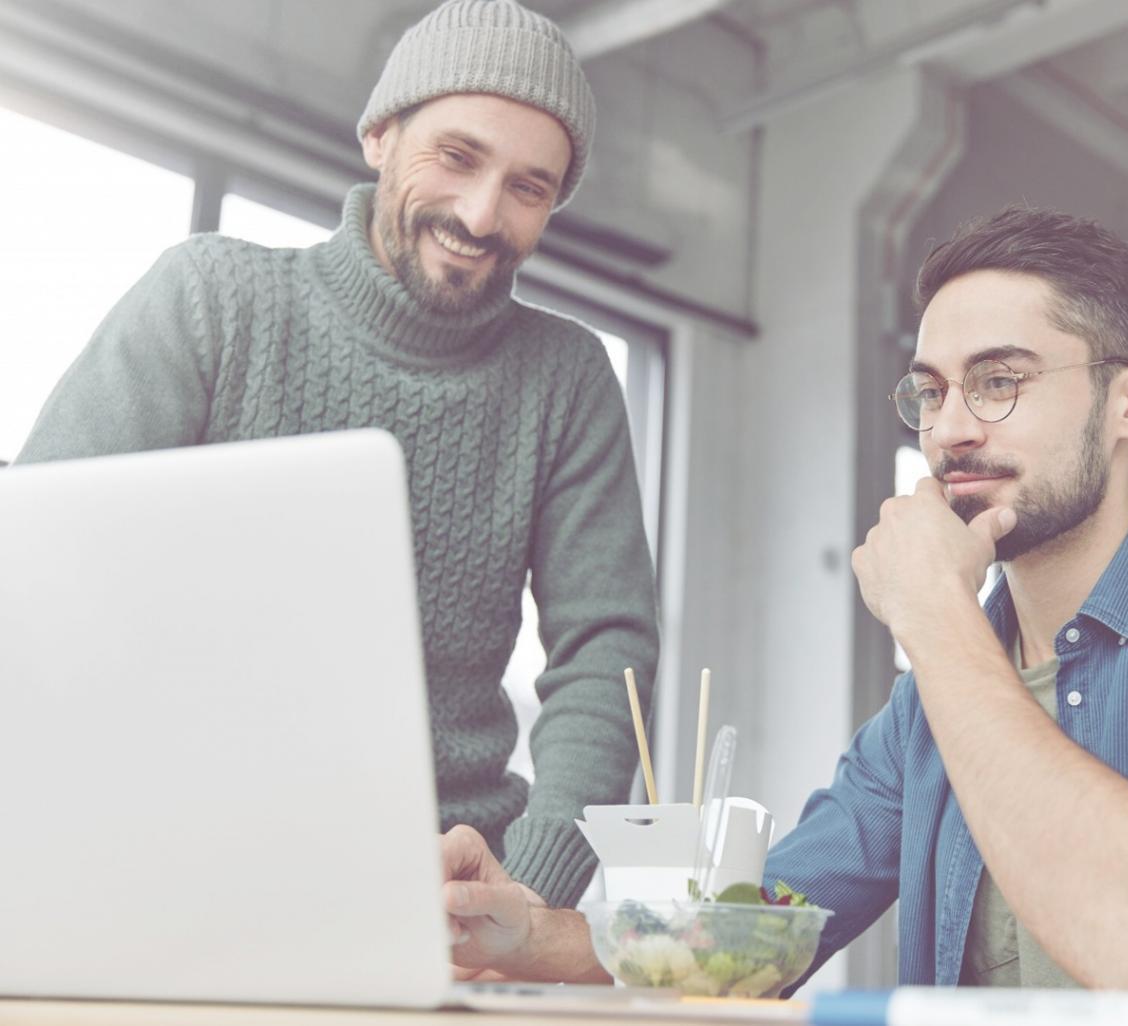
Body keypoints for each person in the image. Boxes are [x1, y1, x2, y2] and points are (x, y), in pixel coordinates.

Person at [435, 205, 1128, 1003]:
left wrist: (936, 618)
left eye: (1000, 381)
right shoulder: (932, 709)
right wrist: (534, 935)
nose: (952, 429)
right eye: (931, 391)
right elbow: (756, 936)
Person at [15, 0, 658, 914]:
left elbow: (607, 650)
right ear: (379, 135)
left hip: (440, 884)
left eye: (528, 186)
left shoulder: (566, 377)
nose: (481, 213)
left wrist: (533, 890)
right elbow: (36, 564)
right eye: (458, 156)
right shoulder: (210, 301)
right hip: (155, 856)